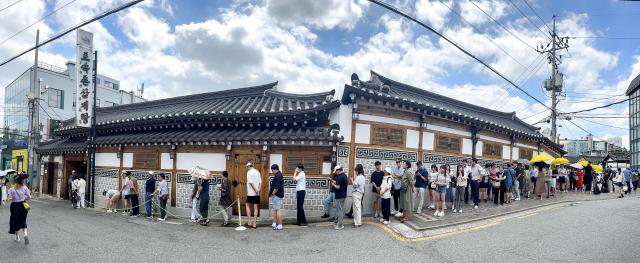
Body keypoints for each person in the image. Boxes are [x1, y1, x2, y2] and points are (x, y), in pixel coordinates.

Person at [6, 175, 31, 245]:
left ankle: (17, 236)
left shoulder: (11, 189)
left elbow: (8, 200)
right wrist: (24, 199)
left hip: (15, 206)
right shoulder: (25, 187)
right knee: (23, 221)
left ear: (15, 181)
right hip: (23, 205)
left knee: (15, 222)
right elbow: (29, 197)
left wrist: (8, 199)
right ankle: (25, 234)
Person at [245, 161, 261, 229]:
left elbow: (251, 183)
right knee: (255, 207)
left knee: (247, 205)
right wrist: (258, 190)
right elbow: (260, 182)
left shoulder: (249, 172)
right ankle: (254, 223)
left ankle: (249, 221)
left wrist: (255, 190)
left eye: (247, 167)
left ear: (249, 166)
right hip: (257, 193)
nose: (247, 168)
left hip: (251, 193)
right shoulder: (258, 172)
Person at [331, 165, 348, 230]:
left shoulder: (340, 177)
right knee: (339, 210)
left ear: (338, 170)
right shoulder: (344, 176)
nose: (335, 173)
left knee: (340, 210)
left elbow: (338, 187)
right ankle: (337, 223)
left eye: (336, 171)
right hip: (342, 195)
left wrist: (333, 185)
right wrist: (333, 181)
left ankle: (340, 225)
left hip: (339, 196)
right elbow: (338, 183)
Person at [269, 165, 284, 230]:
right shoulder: (278, 175)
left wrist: (273, 193)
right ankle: (275, 223)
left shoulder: (278, 175)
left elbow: (277, 187)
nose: (272, 171)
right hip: (277, 195)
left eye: (272, 170)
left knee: (277, 209)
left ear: (275, 169)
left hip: (277, 195)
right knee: (275, 209)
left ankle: (280, 225)